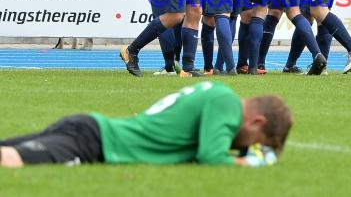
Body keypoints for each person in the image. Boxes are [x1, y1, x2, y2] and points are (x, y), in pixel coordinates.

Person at [0, 81, 292, 167]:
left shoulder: (215, 94)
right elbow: (210, 157)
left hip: (90, 129)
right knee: (12, 159)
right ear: (256, 121)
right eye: (256, 142)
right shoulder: (226, 102)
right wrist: (251, 163)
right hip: (95, 141)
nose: (247, 147)